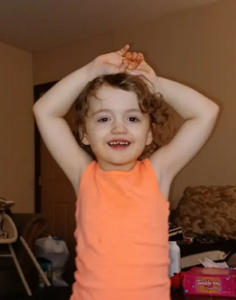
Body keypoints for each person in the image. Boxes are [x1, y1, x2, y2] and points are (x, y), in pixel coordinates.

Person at [33, 45, 219, 300]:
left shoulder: (158, 172)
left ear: (149, 133)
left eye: (132, 118)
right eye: (103, 119)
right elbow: (44, 111)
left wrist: (152, 83)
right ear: (84, 134)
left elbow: (206, 113)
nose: (119, 128)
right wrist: (91, 71)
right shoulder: (83, 173)